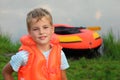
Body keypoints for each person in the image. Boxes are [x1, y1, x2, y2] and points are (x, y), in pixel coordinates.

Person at [2, 8, 69, 80]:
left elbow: (63, 78)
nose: (41, 32)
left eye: (45, 27)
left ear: (52, 29)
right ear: (29, 32)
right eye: (36, 29)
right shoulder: (23, 56)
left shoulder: (59, 54)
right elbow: (6, 72)